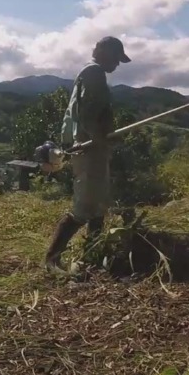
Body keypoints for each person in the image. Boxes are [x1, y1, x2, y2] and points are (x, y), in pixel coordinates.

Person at [44, 35, 130, 274]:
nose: (117, 65)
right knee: (85, 206)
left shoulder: (92, 73)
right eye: (115, 58)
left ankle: (92, 255)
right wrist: (102, 140)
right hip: (89, 147)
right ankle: (52, 260)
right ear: (101, 51)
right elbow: (89, 116)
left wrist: (107, 137)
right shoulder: (94, 73)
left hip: (93, 146)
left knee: (99, 204)